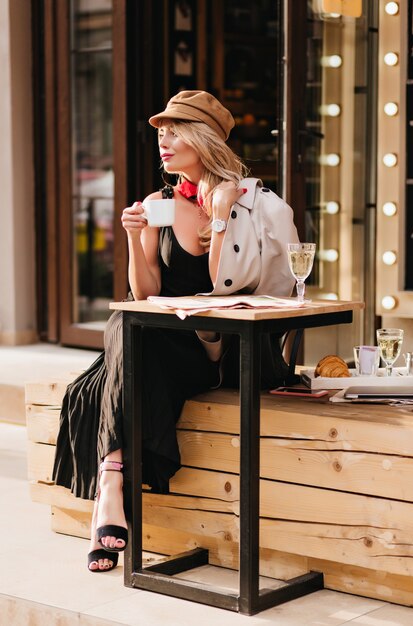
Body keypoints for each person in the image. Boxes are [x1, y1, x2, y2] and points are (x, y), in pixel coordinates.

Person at [52, 90, 299, 573]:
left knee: (112, 363)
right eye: (160, 135)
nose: (163, 144)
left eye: (174, 134)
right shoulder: (159, 204)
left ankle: (108, 499)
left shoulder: (250, 201)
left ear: (201, 140)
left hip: (216, 349)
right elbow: (145, 292)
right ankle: (110, 488)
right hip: (159, 346)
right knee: (128, 318)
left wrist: (223, 216)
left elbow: (224, 282)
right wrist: (130, 236)